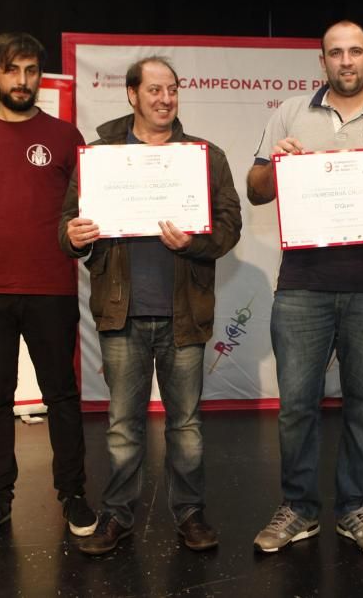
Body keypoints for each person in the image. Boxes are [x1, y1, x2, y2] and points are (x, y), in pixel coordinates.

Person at [246, 20, 363, 554]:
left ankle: (355, 507)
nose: (345, 61)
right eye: (335, 53)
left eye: (355, 52)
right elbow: (256, 190)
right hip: (303, 283)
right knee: (296, 405)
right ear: (321, 61)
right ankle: (299, 509)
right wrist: (276, 166)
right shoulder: (289, 113)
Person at [60, 56, 241, 555]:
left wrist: (194, 242)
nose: (165, 99)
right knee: (122, 425)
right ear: (132, 95)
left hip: (183, 313)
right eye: (155, 90)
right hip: (122, 313)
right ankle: (117, 515)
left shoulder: (205, 157)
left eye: (173, 90)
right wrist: (75, 237)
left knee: (186, 426)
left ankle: (190, 514)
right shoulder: (99, 157)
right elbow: (67, 226)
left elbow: (230, 227)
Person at [0, 32, 97, 543]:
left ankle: (72, 494)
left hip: (51, 286)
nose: (22, 81)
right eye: (12, 70)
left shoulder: (64, 136)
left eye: (31, 71)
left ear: (40, 76)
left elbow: (81, 211)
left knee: (60, 395)